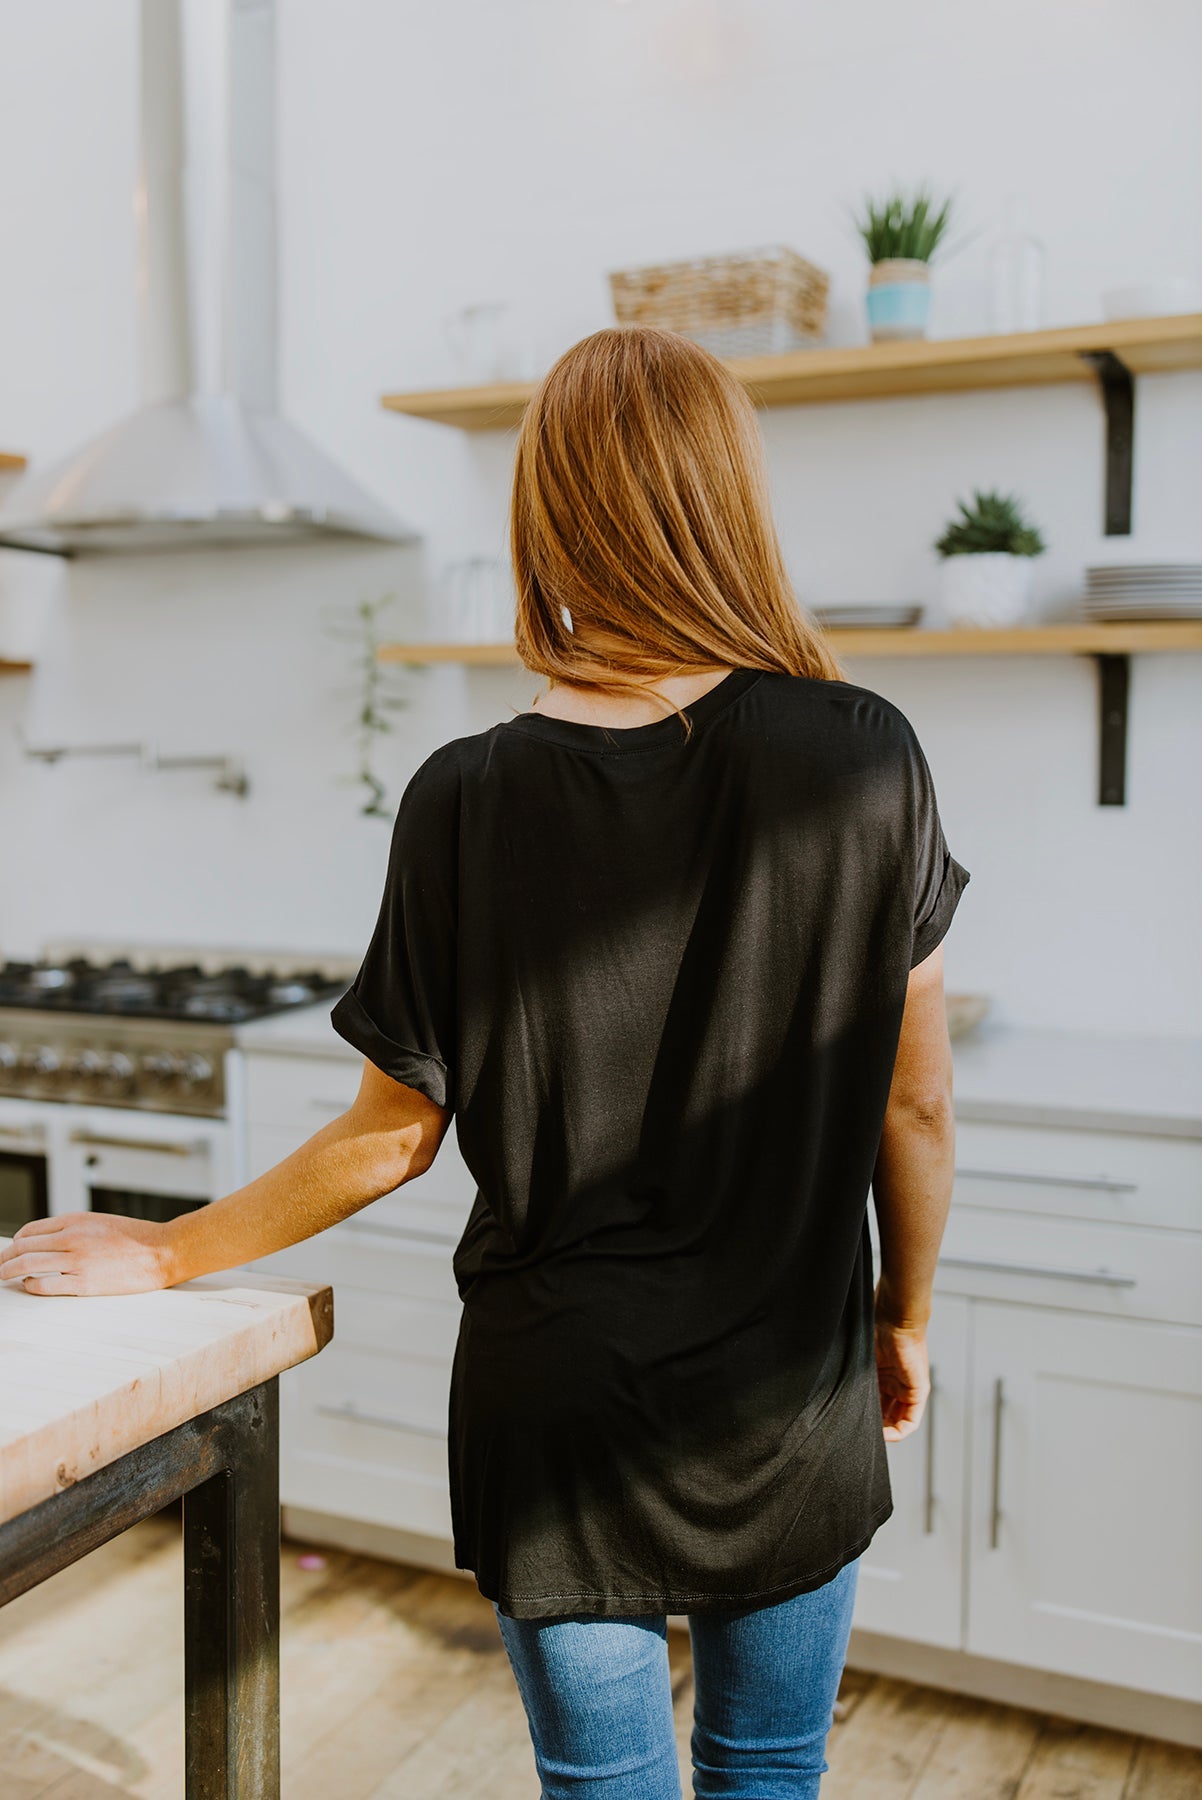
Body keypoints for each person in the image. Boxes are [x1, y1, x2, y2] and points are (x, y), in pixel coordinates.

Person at [0, 326, 969, 1799]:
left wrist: (171, 1249)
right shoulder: (863, 752)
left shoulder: (469, 793)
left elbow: (389, 1136)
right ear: (730, 501)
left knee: (602, 1791)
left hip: (557, 1397)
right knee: (768, 1772)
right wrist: (902, 1315)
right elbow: (915, 1099)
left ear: (550, 513)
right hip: (793, 1388)